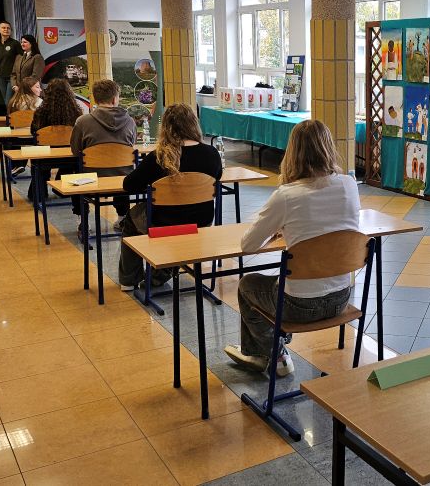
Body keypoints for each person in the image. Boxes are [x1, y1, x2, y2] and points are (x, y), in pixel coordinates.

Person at [224, 120, 361, 378]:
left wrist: (279, 228)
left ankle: (271, 354)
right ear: (329, 148)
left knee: (247, 285)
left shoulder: (287, 195)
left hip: (298, 306)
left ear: (293, 152)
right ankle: (272, 351)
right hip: (341, 298)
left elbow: (248, 245)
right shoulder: (349, 184)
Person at [118, 103, 222, 288]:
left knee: (131, 219)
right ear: (194, 123)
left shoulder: (158, 157)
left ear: (165, 126)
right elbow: (217, 177)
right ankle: (160, 274)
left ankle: (129, 280)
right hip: (201, 221)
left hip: (163, 222)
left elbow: (129, 185)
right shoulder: (212, 154)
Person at [70, 79, 136, 233]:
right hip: (123, 179)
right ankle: (122, 217)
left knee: (75, 171)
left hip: (91, 178)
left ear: (94, 99)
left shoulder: (82, 122)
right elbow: (130, 146)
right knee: (122, 170)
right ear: (114, 99)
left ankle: (82, 219)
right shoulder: (130, 121)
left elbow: (76, 150)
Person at [27, 78, 82, 200]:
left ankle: (39, 192)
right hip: (70, 155)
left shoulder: (41, 112)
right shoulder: (77, 112)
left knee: (39, 162)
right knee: (70, 160)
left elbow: (34, 132)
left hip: (45, 155)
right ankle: (62, 187)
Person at [0, 21, 23, 106]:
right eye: (3, 28)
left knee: (8, 101)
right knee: (6, 101)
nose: (6, 29)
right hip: (1, 76)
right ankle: (10, 114)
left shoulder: (15, 43)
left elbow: (22, 59)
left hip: (12, 77)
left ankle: (12, 115)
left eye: (8, 28)